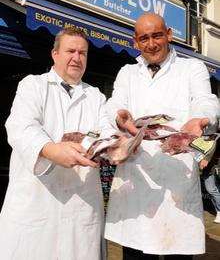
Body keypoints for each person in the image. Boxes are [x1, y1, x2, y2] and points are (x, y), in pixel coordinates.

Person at [105, 13, 220, 260]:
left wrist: (201, 118)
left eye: (157, 35)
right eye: (144, 38)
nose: (151, 43)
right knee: (136, 253)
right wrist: (118, 115)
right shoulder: (127, 73)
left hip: (176, 182)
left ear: (168, 34)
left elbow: (205, 99)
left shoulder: (192, 68)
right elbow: (114, 102)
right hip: (137, 180)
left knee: (177, 251)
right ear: (135, 42)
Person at [0, 28, 115, 260]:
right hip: (36, 203)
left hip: (81, 209)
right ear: (55, 54)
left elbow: (107, 131)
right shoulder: (32, 85)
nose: (77, 57)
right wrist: (51, 150)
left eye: (82, 53)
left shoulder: (96, 96)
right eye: (70, 51)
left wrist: (113, 145)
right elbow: (20, 126)